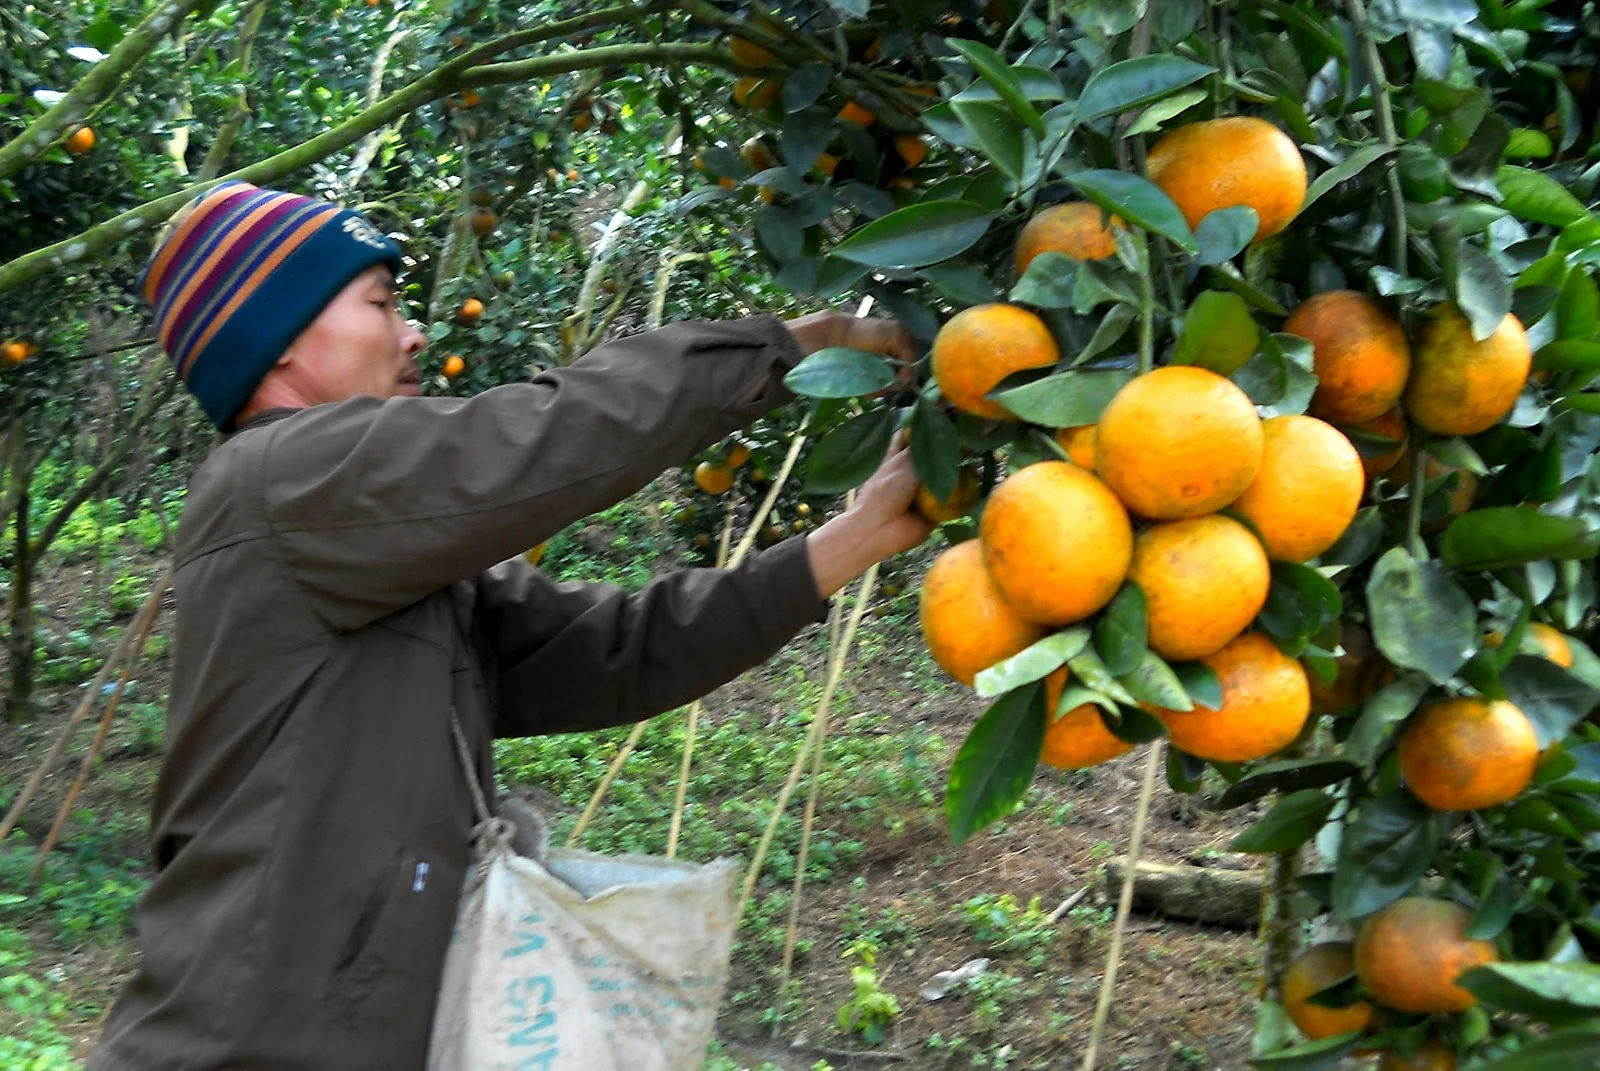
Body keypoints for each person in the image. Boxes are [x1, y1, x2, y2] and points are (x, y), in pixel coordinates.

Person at [87, 181, 932, 1070]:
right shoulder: (277, 483)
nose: (413, 333)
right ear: (279, 338)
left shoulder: (376, 555)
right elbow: (545, 436)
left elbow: (613, 652)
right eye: (380, 303)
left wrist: (851, 539)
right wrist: (791, 346)